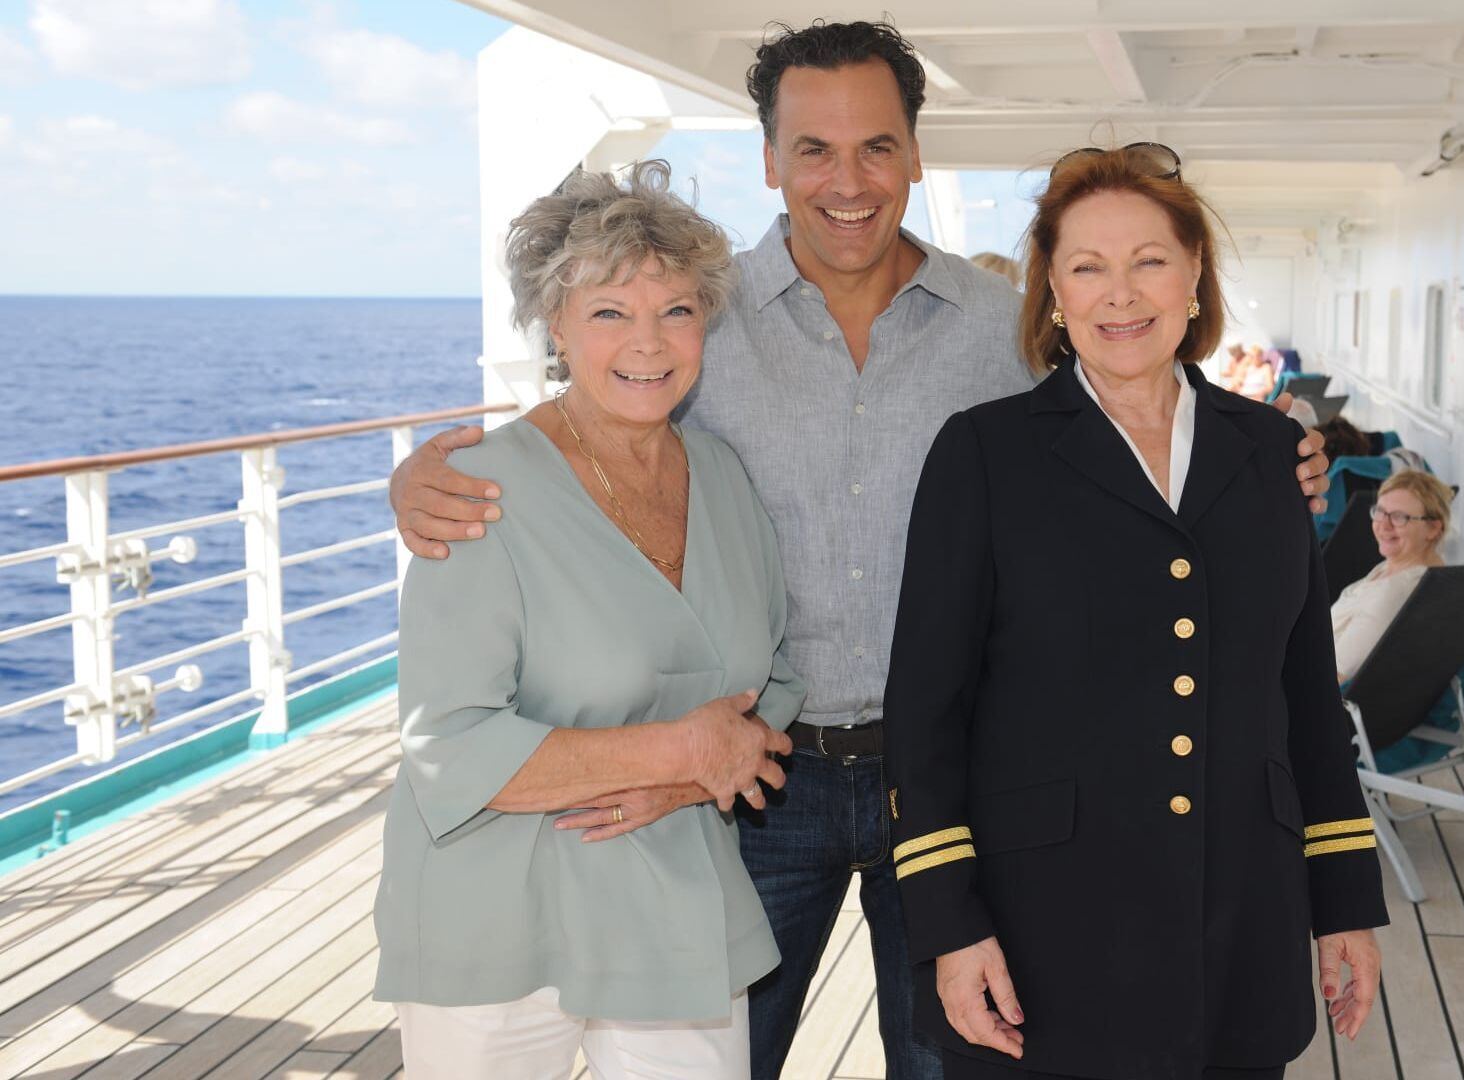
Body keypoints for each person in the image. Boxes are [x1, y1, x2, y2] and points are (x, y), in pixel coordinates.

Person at [387, 22, 1334, 1080]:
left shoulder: (1008, 333)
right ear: (769, 160)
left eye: (877, 147)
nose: (848, 181)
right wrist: (422, 477)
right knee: (728, 1062)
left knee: (954, 1060)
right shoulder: (699, 318)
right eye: (814, 150)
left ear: (915, 155)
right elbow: (597, 418)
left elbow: (1131, 427)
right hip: (756, 782)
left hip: (962, 785)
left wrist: (1271, 464)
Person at [882, 144, 1388, 1080]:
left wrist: (1345, 899)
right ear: (1054, 292)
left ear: (1194, 275)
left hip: (1242, 929)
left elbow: (1306, 699)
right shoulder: (984, 455)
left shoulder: (1271, 452)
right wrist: (950, 926)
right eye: (1087, 267)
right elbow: (925, 717)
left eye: (1149, 261)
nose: (1120, 294)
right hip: (1043, 943)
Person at [372, 161, 802, 1079]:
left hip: (676, 900)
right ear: (556, 324)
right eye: (609, 311)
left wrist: (689, 782)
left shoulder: (724, 477)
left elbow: (774, 679)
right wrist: (679, 752)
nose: (648, 341)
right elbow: (449, 743)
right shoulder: (475, 490)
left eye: (676, 309)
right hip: (496, 918)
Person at [1330, 470, 1453, 681]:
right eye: (1380, 512)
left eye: (1399, 517)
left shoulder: (1391, 594)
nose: (1383, 525)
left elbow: (1335, 678)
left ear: (1433, 528)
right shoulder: (1401, 568)